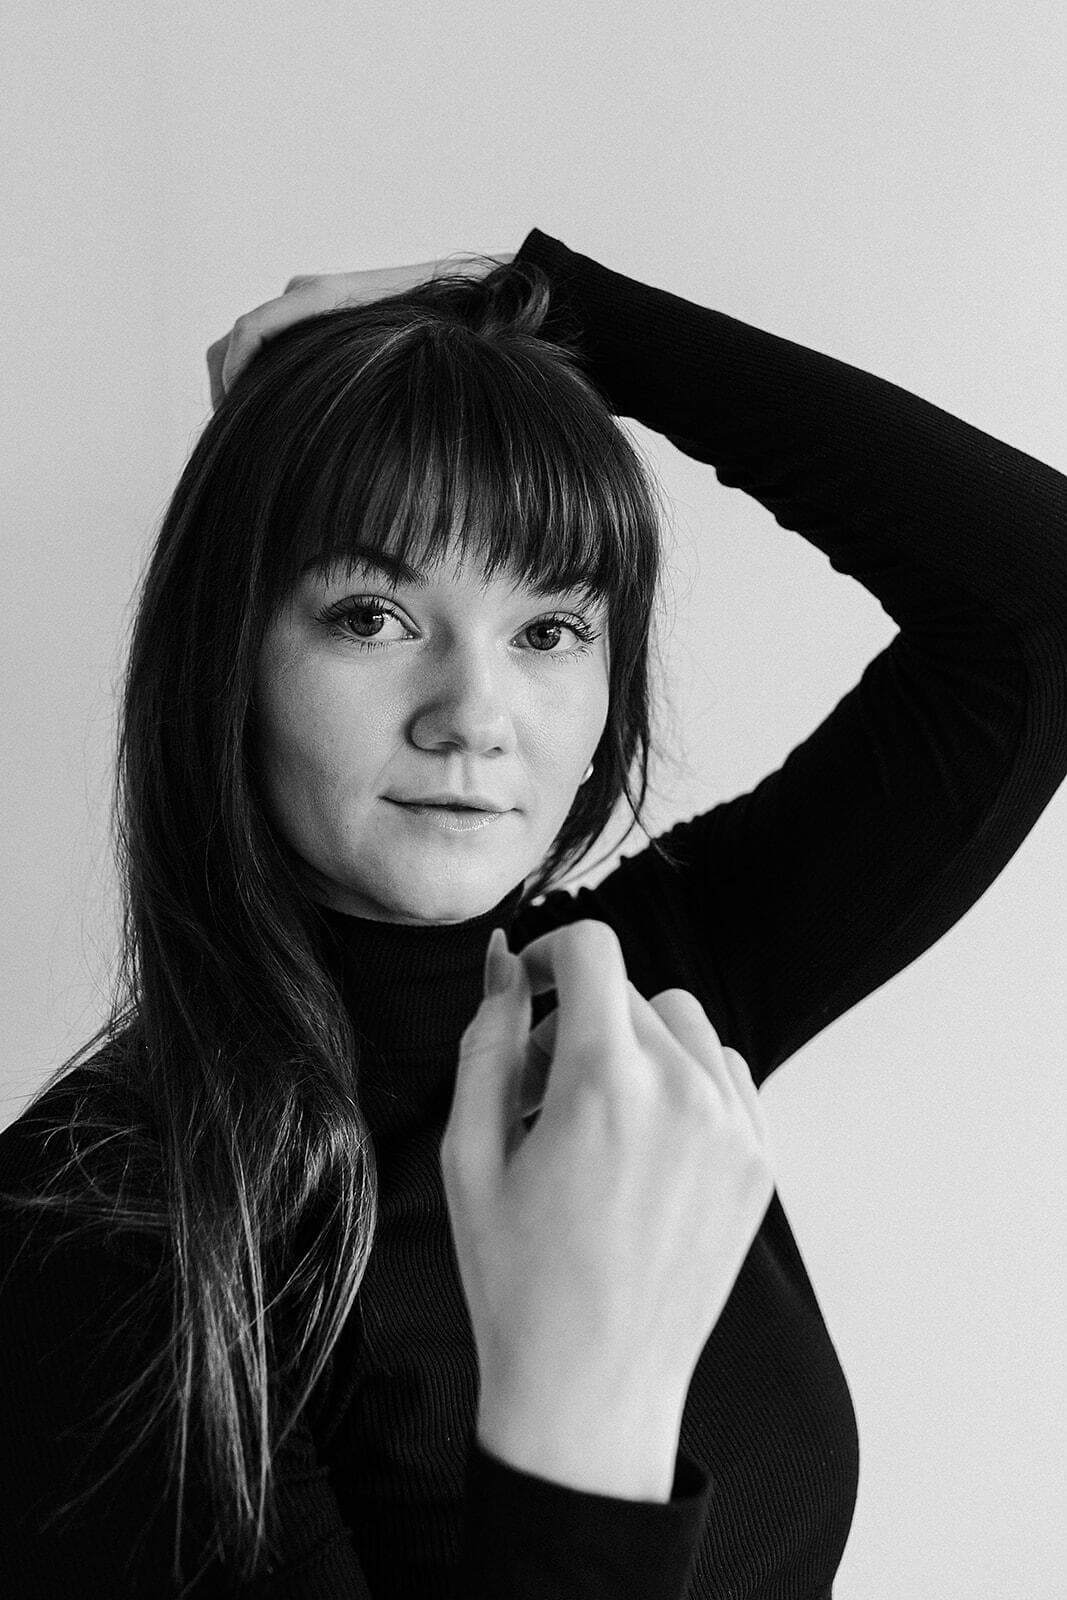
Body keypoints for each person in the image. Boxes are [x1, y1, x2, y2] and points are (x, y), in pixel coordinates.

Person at [0, 229, 1064, 1600]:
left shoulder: (630, 1006)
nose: (474, 720)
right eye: (373, 615)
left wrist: (562, 316)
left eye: (549, 630)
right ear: (228, 661)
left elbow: (1038, 607)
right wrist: (578, 1426)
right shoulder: (96, 1231)